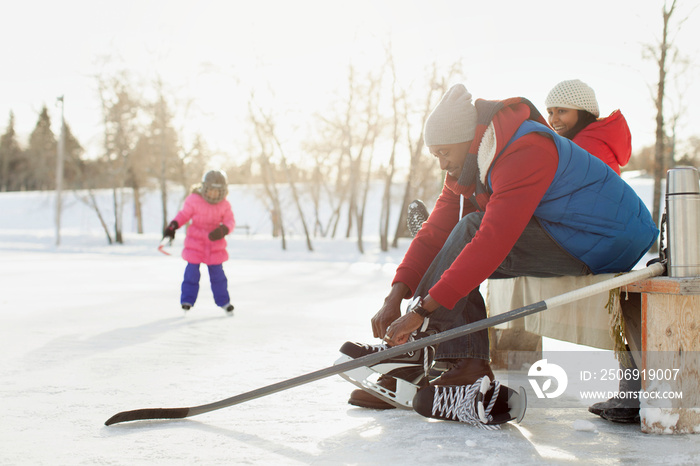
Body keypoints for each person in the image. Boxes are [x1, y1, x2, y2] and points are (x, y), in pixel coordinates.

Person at [347, 84, 659, 416]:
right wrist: (395, 296)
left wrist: (421, 312)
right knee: (457, 236)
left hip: (607, 238)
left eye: (443, 152)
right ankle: (446, 362)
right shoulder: (469, 164)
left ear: (467, 141)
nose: (440, 164)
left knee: (471, 230)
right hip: (568, 231)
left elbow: (493, 241)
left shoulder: (526, 148)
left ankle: (425, 357)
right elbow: (433, 232)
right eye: (434, 154)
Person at [163, 170, 236, 314]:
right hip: (195, 242)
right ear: (204, 188)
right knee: (191, 273)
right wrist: (173, 225)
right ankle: (187, 301)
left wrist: (223, 230)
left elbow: (230, 221)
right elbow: (184, 215)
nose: (214, 194)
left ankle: (224, 302)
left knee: (218, 276)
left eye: (218, 192)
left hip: (215, 243)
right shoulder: (193, 200)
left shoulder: (225, 205)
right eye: (211, 191)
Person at [545, 79, 631, 175]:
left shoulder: (585, 147)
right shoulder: (589, 141)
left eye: (561, 111)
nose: (553, 120)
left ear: (584, 112)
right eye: (550, 113)